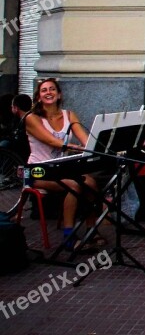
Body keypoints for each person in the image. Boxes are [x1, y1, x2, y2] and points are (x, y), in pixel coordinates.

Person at [25, 78, 101, 249]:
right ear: (38, 97)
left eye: (52, 89)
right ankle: (69, 237)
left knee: (90, 183)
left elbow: (85, 140)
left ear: (59, 95)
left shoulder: (69, 115)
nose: (48, 92)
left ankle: (92, 230)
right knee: (73, 185)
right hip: (37, 171)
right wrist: (77, 147)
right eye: (44, 90)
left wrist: (98, 148)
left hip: (61, 168)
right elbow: (53, 142)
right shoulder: (32, 118)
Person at [0, 93, 32, 160]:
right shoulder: (23, 118)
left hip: (22, 153)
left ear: (16, 108)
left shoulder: (27, 120)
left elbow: (19, 140)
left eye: (12, 106)